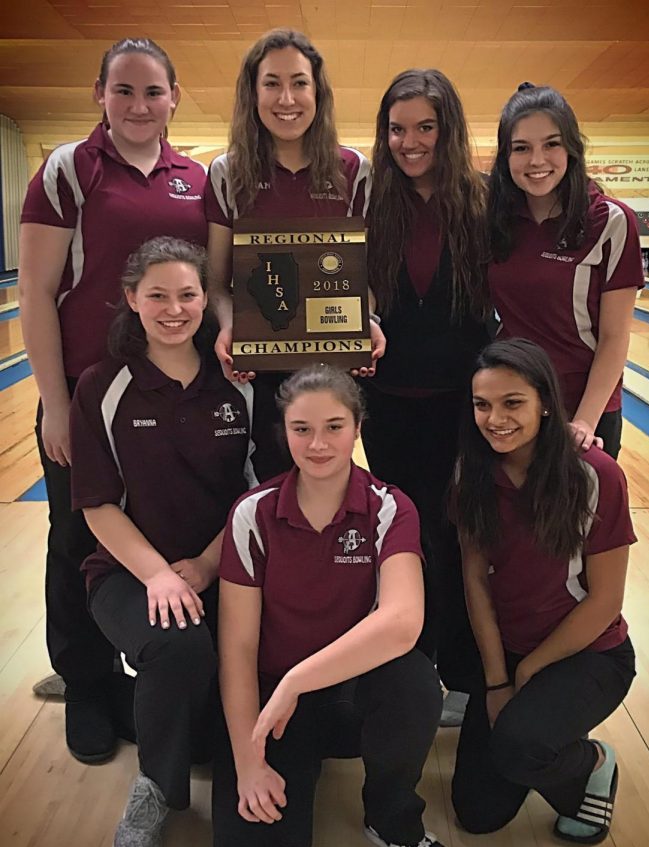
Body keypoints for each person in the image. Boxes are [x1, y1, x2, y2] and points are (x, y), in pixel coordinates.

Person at [18, 37, 208, 762]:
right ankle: (87, 684)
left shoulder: (195, 176)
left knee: (159, 528)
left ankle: (145, 670)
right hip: (87, 398)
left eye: (152, 91)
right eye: (123, 90)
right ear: (99, 93)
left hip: (169, 391)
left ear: (174, 97)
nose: (138, 105)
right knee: (74, 538)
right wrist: (55, 402)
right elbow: (36, 291)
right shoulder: (69, 169)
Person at [213, 365, 464, 847]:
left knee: (415, 682)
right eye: (301, 429)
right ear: (283, 431)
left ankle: (393, 817)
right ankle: (290, 767)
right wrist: (248, 763)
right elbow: (236, 652)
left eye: (334, 427)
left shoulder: (390, 507)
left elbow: (402, 623)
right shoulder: (251, 514)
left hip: (350, 698)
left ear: (358, 428)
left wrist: (296, 680)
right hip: (275, 712)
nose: (318, 443)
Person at [69, 237, 265, 847]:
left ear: (207, 298)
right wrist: (157, 574)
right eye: (157, 296)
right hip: (128, 570)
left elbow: (256, 491)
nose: (174, 309)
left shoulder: (240, 382)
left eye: (187, 295)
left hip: (225, 564)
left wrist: (208, 565)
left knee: (215, 709)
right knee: (178, 642)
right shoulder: (103, 385)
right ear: (132, 299)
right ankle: (155, 788)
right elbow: (98, 505)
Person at [451, 338, 636, 845]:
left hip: (589, 655)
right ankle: (540, 734)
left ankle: (593, 762)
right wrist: (496, 681)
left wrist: (530, 671)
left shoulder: (596, 476)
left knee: (519, 748)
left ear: (546, 404)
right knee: (477, 813)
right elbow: (475, 582)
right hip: (509, 651)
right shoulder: (474, 472)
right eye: (482, 405)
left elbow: (605, 602)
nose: (495, 419)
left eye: (513, 403)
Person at [363, 69, 490, 719]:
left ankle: (462, 672)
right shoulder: (372, 202)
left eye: (424, 128)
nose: (409, 142)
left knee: (456, 535)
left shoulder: (480, 202)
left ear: (448, 130)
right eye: (396, 129)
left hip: (456, 406)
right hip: (385, 407)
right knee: (402, 538)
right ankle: (409, 668)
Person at [204, 27, 385, 382]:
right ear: (252, 94)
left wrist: (366, 322)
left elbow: (364, 279)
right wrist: (229, 327)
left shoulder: (355, 170)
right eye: (271, 84)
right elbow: (215, 283)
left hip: (330, 367)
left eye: (300, 83)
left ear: (318, 92)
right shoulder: (227, 172)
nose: (286, 99)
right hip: (256, 367)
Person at [487, 83, 644, 459]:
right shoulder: (495, 221)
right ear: (506, 157)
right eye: (521, 148)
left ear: (571, 148)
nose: (537, 160)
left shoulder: (609, 220)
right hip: (511, 405)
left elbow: (614, 337)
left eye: (551, 144)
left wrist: (585, 422)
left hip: (583, 411)